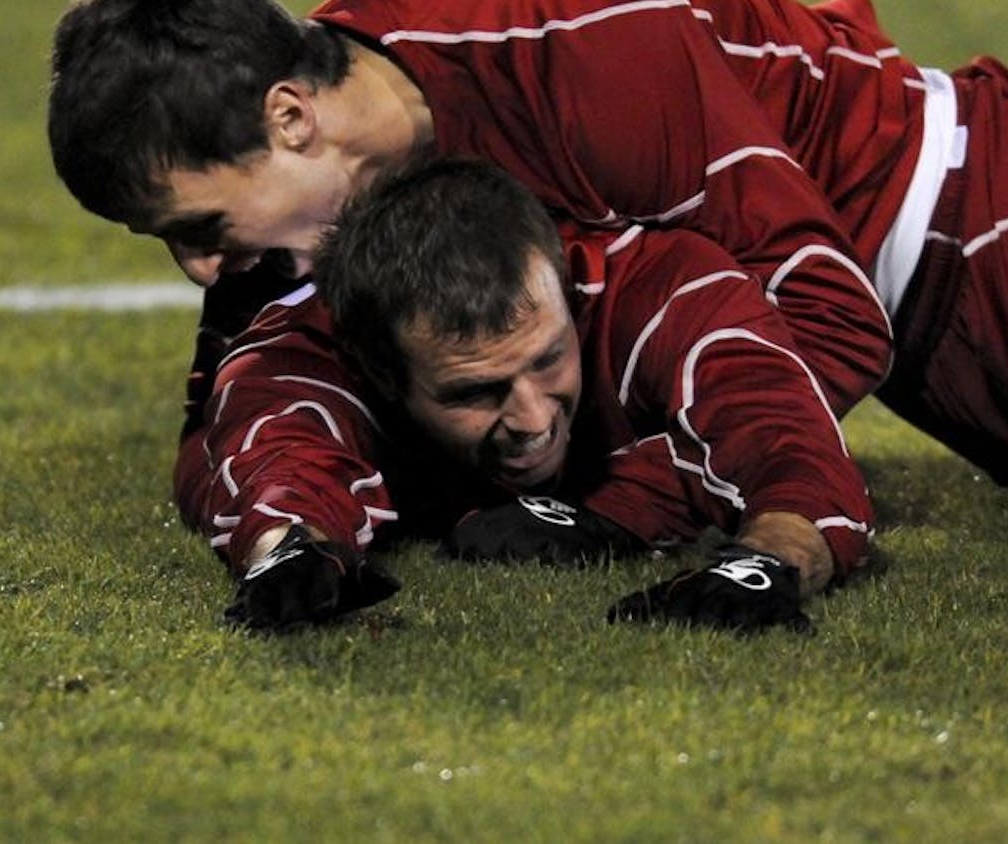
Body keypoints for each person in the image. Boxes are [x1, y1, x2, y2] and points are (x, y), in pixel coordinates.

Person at [46, 0, 1008, 575]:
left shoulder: (579, 46)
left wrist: (620, 504)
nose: (206, 270)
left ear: (290, 117)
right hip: (957, 359)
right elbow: (224, 414)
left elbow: (832, 314)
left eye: (201, 227)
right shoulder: (321, 197)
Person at [213, 158, 877, 632]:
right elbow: (283, 459)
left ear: (569, 293)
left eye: (550, 359)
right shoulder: (299, 354)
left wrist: (768, 564)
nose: (531, 419)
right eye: (475, 391)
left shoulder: (670, 291)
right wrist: (291, 549)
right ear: (380, 375)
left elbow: (787, 442)